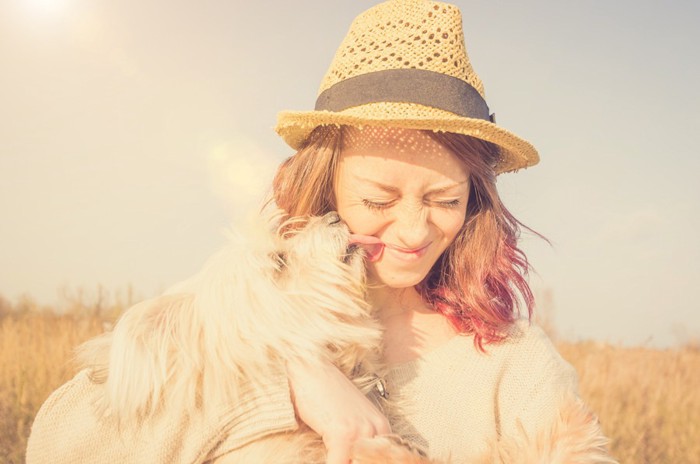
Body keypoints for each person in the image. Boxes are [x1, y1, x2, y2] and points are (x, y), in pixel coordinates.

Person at [27, 1, 615, 463]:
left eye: (445, 199)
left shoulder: (512, 365)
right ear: (325, 183)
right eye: (377, 198)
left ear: (477, 199)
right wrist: (287, 388)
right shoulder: (244, 303)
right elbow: (58, 446)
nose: (414, 230)